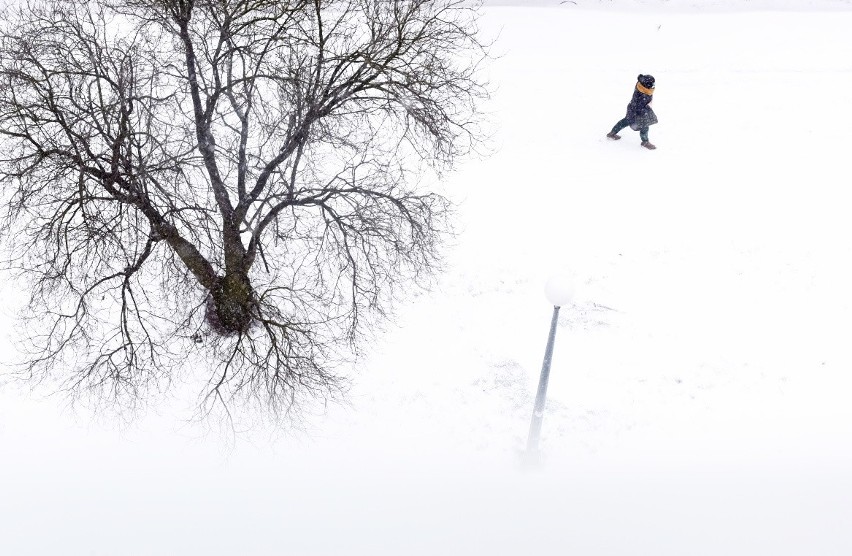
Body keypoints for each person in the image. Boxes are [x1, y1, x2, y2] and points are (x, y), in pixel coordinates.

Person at [607, 74, 658, 150]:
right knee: (644, 126)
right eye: (652, 84)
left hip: (633, 109)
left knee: (625, 121)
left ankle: (612, 133)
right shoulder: (642, 94)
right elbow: (639, 107)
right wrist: (645, 113)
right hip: (636, 111)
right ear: (646, 85)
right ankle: (645, 142)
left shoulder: (641, 86)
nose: (653, 86)